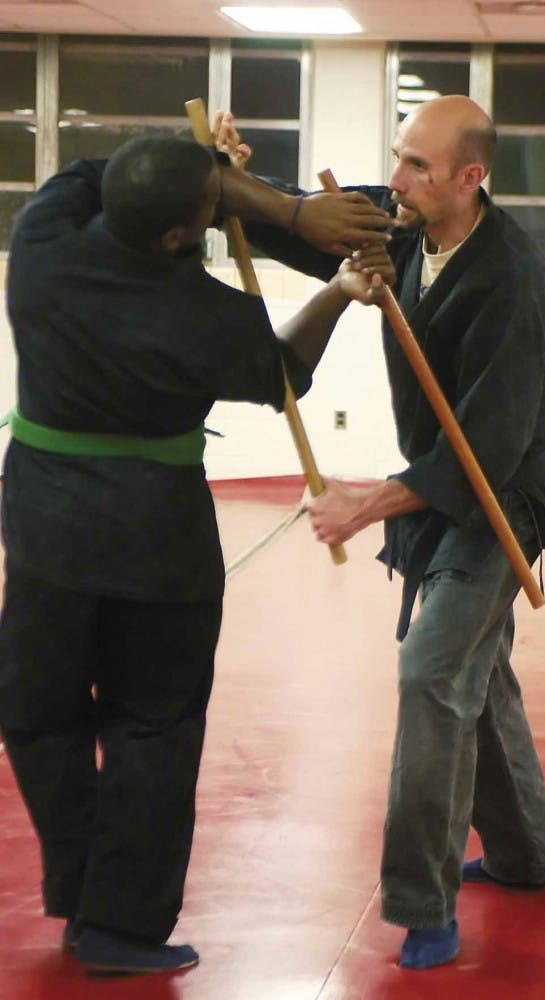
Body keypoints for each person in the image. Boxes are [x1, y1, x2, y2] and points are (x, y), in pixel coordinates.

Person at [0, 135, 393, 975]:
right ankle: (118, 924)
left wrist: (230, 182)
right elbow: (281, 370)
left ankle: (76, 887)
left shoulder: (38, 246)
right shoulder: (206, 317)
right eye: (211, 213)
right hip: (154, 537)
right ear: (182, 238)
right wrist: (339, 288)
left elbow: (93, 170)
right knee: (154, 724)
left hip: (44, 525)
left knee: (42, 714)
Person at [225, 95, 545, 970]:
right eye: (396, 158)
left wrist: (365, 502)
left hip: (500, 506)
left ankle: (423, 905)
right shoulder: (400, 226)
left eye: (417, 167)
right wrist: (232, 181)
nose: (395, 181)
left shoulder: (517, 286)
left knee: (430, 671)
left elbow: (487, 453)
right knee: (473, 674)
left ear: (472, 176)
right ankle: (528, 856)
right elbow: (304, 229)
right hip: (442, 494)